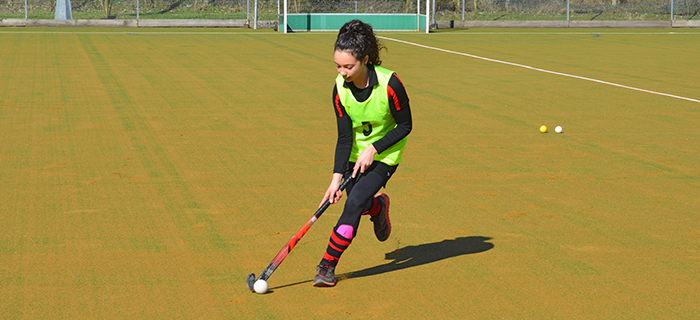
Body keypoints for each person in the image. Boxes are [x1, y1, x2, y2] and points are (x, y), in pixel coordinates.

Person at [313, 19, 413, 287]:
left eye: (349, 66)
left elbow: (406, 125)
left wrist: (375, 148)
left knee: (354, 203)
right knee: (360, 202)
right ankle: (378, 207)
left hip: (384, 156)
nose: (342, 72)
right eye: (337, 66)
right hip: (353, 157)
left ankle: (326, 266)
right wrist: (335, 179)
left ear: (365, 60)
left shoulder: (390, 84)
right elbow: (344, 136)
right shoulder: (339, 89)